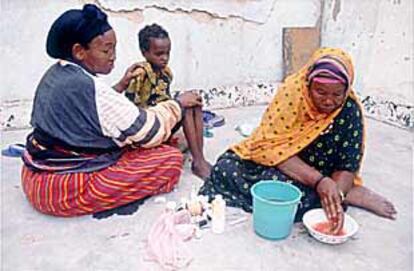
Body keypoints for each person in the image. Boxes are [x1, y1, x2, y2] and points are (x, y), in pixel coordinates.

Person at [21, 4, 202, 217]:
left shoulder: (57, 73)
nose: (113, 56)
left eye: (114, 49)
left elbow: (92, 110)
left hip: (33, 172)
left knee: (155, 140)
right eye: (106, 50)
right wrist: (177, 104)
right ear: (79, 51)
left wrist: (121, 86)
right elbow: (148, 131)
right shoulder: (89, 88)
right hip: (60, 188)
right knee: (169, 160)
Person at [199, 48, 397, 234]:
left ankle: (344, 193)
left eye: (337, 94)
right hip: (287, 164)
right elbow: (268, 146)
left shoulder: (349, 110)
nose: (329, 101)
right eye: (320, 92)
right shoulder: (292, 95)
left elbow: (348, 163)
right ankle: (324, 194)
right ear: (307, 85)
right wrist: (319, 182)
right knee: (225, 169)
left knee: (298, 201)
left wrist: (337, 195)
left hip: (325, 173)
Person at [124, 23, 212, 180]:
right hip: (148, 125)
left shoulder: (166, 73)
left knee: (194, 102)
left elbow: (165, 97)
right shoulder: (139, 75)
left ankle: (199, 157)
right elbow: (131, 110)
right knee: (184, 108)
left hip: (164, 118)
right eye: (159, 54)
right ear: (145, 53)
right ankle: (198, 162)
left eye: (167, 53)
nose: (164, 58)